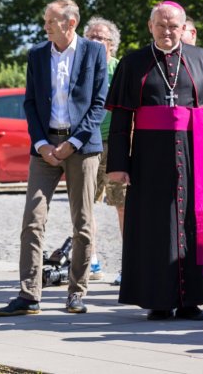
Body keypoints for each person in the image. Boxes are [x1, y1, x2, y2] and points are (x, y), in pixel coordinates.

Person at [106, 1, 203, 321]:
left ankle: (192, 300)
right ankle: (158, 300)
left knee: (195, 221)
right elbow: (122, 119)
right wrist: (119, 164)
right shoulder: (133, 62)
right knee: (154, 226)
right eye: (161, 26)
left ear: (183, 27)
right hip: (150, 157)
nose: (167, 31)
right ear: (150, 27)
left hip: (196, 154)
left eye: (173, 26)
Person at [0, 0, 108, 316]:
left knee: (82, 222)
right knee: (33, 220)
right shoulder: (37, 54)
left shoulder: (94, 52)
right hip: (44, 147)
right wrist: (42, 143)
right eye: (45, 21)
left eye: (51, 21)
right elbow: (30, 103)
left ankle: (76, 293)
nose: (45, 26)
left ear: (70, 23)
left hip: (81, 147)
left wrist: (73, 142)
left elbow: (99, 103)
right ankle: (29, 295)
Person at [83, 17, 126, 285]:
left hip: (115, 143)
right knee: (84, 205)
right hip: (86, 144)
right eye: (92, 37)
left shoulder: (119, 69)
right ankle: (90, 260)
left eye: (102, 38)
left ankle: (129, 264)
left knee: (122, 205)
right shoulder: (79, 69)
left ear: (112, 45)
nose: (97, 42)